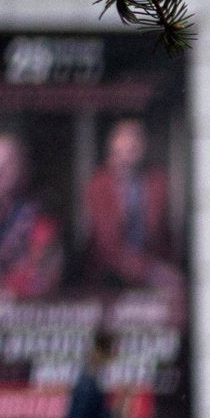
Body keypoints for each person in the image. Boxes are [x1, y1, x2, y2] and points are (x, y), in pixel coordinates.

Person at [76, 118, 179, 293]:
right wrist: (150, 270)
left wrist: (168, 269)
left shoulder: (157, 182)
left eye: (136, 140)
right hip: (109, 274)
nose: (131, 147)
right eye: (125, 142)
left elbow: (163, 235)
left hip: (152, 269)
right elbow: (107, 244)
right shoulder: (99, 184)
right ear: (113, 148)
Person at [0, 131, 60, 294]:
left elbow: (43, 278)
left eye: (6, 165)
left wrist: (2, 286)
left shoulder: (41, 219)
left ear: (24, 170)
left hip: (24, 312)